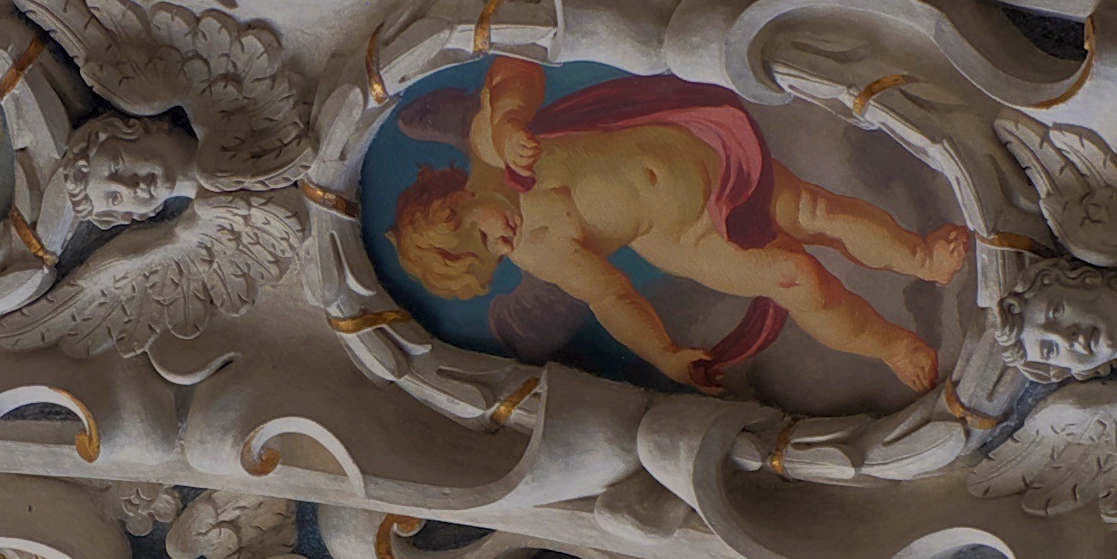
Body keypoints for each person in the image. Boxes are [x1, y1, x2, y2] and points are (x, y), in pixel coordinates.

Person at [383, 57, 960, 395]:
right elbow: (611, 296)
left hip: (701, 153)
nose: (504, 243)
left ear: (454, 202)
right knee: (798, 278)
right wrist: (662, 354)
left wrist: (509, 117)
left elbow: (516, 68)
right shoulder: (538, 251)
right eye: (497, 259)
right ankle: (891, 344)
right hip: (685, 238)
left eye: (484, 238)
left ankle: (920, 258)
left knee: (816, 212)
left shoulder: (491, 146)